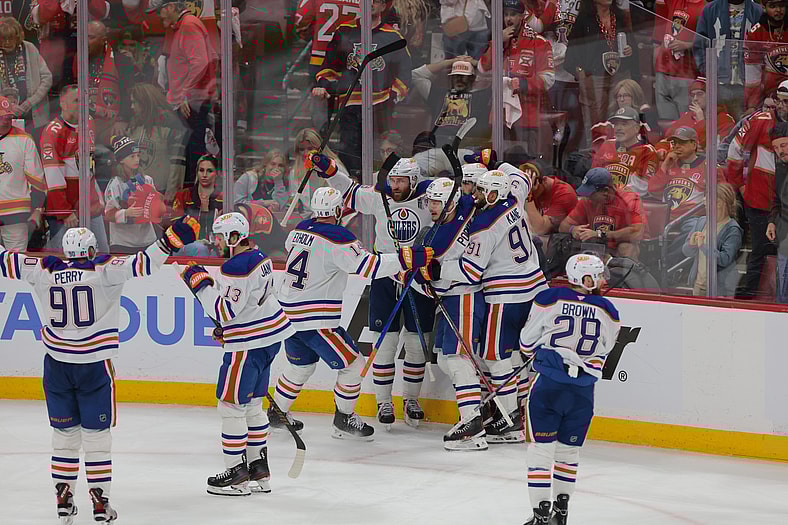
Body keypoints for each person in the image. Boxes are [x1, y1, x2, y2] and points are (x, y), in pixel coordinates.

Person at [0, 216, 199, 524]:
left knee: (64, 434)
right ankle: (99, 501)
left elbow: (4, 260)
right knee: (97, 437)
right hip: (93, 367)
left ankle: (63, 496)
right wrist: (173, 239)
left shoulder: (41, 270)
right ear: (91, 250)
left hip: (56, 366)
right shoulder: (105, 270)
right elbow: (146, 263)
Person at [272, 187, 435, 439]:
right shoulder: (338, 238)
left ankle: (277, 413)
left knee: (301, 367)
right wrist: (408, 258)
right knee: (353, 365)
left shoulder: (298, 230)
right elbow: (368, 267)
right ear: (338, 210)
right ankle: (344, 419)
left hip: (288, 313)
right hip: (315, 319)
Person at [180, 212, 295, 496]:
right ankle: (259, 470)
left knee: (230, 406)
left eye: (220, 237)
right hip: (268, 339)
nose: (216, 242)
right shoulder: (260, 257)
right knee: (254, 406)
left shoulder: (236, 266)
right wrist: (228, 329)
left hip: (248, 346)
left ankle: (236, 475)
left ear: (234, 237)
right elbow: (247, 307)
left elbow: (224, 311)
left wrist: (200, 284)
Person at [319, 155, 434, 428]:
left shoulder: (428, 198)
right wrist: (330, 170)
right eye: (392, 179)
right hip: (385, 275)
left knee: (417, 344)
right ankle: (384, 402)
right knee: (385, 343)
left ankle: (410, 399)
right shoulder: (380, 197)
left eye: (401, 180)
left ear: (414, 180)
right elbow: (349, 191)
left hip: (419, 276)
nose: (395, 185)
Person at [441, 165, 549, 443]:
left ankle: (510, 419)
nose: (475, 193)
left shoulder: (483, 226)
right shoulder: (514, 197)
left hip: (506, 295)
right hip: (536, 287)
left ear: (492, 194)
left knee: (494, 356)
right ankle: (519, 414)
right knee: (516, 356)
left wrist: (436, 270)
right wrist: (496, 165)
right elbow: (518, 174)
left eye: (481, 190)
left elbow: (470, 271)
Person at [518, 253, 620, 525]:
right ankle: (561, 513)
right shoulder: (609, 310)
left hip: (548, 385)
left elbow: (526, 342)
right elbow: (605, 350)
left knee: (540, 450)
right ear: (587, 278)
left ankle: (541, 515)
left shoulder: (549, 298)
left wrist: (541, 351)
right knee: (568, 453)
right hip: (582, 392)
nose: (600, 279)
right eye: (597, 275)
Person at [417, 178, 485, 449]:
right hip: (451, 298)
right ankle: (477, 410)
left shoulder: (442, 238)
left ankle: (472, 424)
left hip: (465, 296)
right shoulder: (464, 206)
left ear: (449, 203)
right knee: (447, 359)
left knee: (457, 359)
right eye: (429, 201)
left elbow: (437, 264)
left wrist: (418, 273)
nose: (431, 207)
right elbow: (468, 198)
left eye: (436, 202)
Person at [314, 0, 411, 173]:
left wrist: (392, 97)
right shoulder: (344, 32)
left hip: (380, 108)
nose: (371, 3)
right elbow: (328, 67)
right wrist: (327, 86)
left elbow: (404, 75)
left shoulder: (393, 37)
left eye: (377, 1)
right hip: (350, 105)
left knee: (377, 155)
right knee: (349, 155)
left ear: (383, 6)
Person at [727, 80, 788, 298]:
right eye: (779, 101)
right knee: (760, 250)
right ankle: (746, 297)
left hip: (784, 203)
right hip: (760, 200)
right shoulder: (760, 121)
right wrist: (740, 185)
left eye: (787, 102)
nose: (782, 106)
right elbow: (735, 151)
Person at [480, 0, 554, 156]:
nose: (509, 19)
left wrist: (524, 84)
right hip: (499, 115)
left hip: (528, 115)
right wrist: (498, 42)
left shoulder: (538, 42)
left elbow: (548, 79)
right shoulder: (499, 38)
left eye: (513, 14)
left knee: (526, 162)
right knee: (498, 160)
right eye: (506, 14)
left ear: (522, 16)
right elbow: (482, 67)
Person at [156, 0, 219, 184]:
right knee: (188, 148)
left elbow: (200, 62)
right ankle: (190, 191)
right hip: (188, 100)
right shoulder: (183, 26)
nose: (160, 17)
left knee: (194, 149)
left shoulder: (189, 25)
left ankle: (194, 193)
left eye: (160, 12)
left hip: (192, 101)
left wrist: (185, 94)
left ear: (169, 7)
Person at [41, 85, 109, 254]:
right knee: (63, 258)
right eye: (77, 101)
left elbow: (89, 168)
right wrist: (65, 212)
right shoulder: (53, 132)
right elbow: (53, 177)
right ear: (63, 103)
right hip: (67, 213)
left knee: (103, 254)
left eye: (84, 101)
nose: (82, 105)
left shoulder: (89, 122)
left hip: (90, 207)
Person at [564, 0, 634, 149]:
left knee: (620, 121)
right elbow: (570, 58)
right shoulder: (584, 20)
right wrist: (582, 75)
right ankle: (596, 161)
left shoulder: (619, 17)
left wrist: (630, 51)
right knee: (596, 126)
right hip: (594, 79)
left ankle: (619, 158)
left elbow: (632, 48)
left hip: (618, 77)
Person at [693, 0, 762, 120]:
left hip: (746, 84)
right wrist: (708, 71)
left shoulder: (757, 11)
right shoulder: (710, 9)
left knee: (742, 126)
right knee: (719, 124)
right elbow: (699, 44)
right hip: (719, 83)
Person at [560, 167, 645, 259]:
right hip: (594, 248)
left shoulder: (629, 200)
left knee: (626, 248)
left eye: (591, 193)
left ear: (605, 191)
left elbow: (637, 232)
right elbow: (563, 225)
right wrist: (573, 229)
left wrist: (601, 234)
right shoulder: (587, 201)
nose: (588, 197)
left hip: (617, 249)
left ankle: (623, 272)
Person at [649, 126, 725, 222]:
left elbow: (723, 197)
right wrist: (665, 165)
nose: (677, 146)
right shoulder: (670, 164)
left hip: (692, 219)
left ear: (694, 145)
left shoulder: (709, 166)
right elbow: (652, 190)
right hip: (664, 218)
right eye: (674, 143)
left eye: (681, 142)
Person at [104, 135, 163, 254]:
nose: (137, 160)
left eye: (138, 156)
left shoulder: (147, 180)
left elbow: (157, 206)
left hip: (147, 241)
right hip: (122, 243)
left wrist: (156, 208)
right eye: (132, 156)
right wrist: (126, 213)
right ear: (121, 160)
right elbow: (108, 214)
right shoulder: (115, 184)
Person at [127, 83, 186, 203]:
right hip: (138, 192)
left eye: (135, 102)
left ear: (145, 102)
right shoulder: (134, 126)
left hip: (161, 193)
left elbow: (177, 162)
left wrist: (171, 192)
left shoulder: (168, 123)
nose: (132, 107)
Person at [0, 95, 45, 251]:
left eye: (8, 116)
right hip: (16, 213)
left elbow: (37, 181)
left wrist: (37, 209)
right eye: (2, 116)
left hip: (16, 215)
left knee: (16, 265)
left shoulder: (24, 140)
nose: (6, 119)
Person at [682, 183, 743, 296]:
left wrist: (704, 247)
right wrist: (692, 245)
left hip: (721, 289)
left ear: (720, 204)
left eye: (708, 200)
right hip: (698, 286)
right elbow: (686, 252)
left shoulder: (733, 229)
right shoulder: (701, 221)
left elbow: (725, 259)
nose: (705, 204)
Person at [652, 0, 706, 123]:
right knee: (665, 121)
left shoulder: (706, 7)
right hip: (663, 70)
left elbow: (711, 40)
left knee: (686, 121)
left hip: (686, 73)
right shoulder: (676, 1)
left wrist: (687, 45)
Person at [655, 77, 736, 158]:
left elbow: (718, 152)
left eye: (700, 94)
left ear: (712, 96)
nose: (695, 99)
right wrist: (662, 149)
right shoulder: (688, 116)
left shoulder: (725, 120)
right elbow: (667, 140)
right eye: (693, 95)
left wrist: (701, 122)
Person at [0, 17, 52, 133]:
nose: (7, 42)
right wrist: (8, 106)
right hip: (4, 118)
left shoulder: (29, 48)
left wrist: (28, 103)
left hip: (34, 117)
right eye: (3, 38)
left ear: (17, 37)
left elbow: (47, 78)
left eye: (11, 38)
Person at [592, 107, 658, 198]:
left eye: (624, 124)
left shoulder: (647, 152)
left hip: (628, 205)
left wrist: (609, 194)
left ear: (636, 128)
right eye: (616, 124)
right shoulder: (607, 145)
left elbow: (640, 188)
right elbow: (593, 177)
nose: (618, 128)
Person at [743, 0, 788, 112]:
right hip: (770, 94)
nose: (778, 10)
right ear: (763, 7)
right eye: (773, 6)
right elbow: (752, 73)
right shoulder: (756, 33)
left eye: (781, 6)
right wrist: (752, 105)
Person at [171, 155, 223, 243]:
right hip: (186, 245)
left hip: (215, 247)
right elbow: (175, 227)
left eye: (209, 171)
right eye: (201, 170)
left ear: (217, 174)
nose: (204, 175)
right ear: (197, 172)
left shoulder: (223, 198)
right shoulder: (183, 195)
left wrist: (205, 211)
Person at [524, 159, 578, 236]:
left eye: (533, 187)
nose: (533, 192)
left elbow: (540, 230)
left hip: (560, 239)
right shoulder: (530, 190)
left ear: (544, 180)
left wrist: (529, 195)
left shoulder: (564, 194)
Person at [767, 121, 788, 303]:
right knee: (782, 293)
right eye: (776, 148)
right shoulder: (780, 168)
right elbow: (776, 200)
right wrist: (772, 221)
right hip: (784, 236)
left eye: (783, 145)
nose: (780, 151)